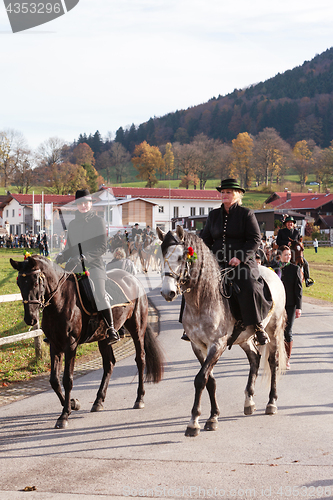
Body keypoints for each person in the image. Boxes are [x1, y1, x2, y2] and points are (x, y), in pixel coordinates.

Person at [200, 178, 272, 346]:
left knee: (249, 285)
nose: (225, 195)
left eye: (229, 192)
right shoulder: (213, 215)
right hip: (217, 262)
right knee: (196, 283)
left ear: (238, 194)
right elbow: (205, 240)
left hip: (242, 262)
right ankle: (190, 325)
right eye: (223, 192)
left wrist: (240, 257)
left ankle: (257, 326)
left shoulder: (246, 214)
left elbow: (255, 239)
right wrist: (205, 258)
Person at [55, 189, 119, 345]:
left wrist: (85, 256)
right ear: (77, 205)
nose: (83, 205)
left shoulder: (99, 221)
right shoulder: (73, 224)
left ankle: (111, 328)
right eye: (80, 203)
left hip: (94, 264)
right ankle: (57, 328)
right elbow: (70, 246)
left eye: (86, 203)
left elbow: (102, 247)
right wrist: (63, 255)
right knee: (60, 292)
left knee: (99, 293)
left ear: (90, 204)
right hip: (74, 265)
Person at [271, 245, 302, 370]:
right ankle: (278, 356)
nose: (288, 256)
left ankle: (287, 359)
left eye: (289, 254)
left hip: (290, 305)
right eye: (286, 254)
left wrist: (299, 307)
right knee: (276, 331)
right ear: (280, 256)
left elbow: (298, 290)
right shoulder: (274, 268)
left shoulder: (295, 269)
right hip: (277, 305)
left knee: (287, 331)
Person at [106, 247, 137, 338]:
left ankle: (120, 330)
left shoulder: (109, 264)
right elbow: (134, 273)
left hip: (113, 289)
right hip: (128, 288)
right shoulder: (128, 262)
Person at [276, 216, 314, 287]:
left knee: (306, 263)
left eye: (291, 223)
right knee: (274, 261)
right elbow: (278, 241)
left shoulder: (297, 232)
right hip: (283, 251)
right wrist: (287, 243)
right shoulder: (281, 232)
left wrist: (300, 244)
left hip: (295, 252)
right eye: (288, 223)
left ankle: (307, 280)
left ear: (293, 224)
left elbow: (300, 241)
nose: (290, 224)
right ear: (285, 224)